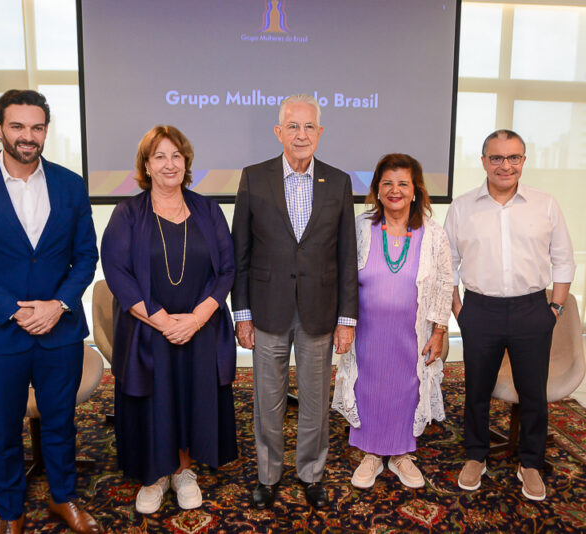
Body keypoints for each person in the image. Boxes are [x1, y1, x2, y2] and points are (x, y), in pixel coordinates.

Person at [0, 90, 101, 534]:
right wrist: (14, 312)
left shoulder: (70, 184)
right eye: (18, 126)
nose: (27, 136)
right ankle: (11, 513)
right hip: (0, 334)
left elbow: (85, 257)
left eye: (37, 127)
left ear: (46, 131)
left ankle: (63, 499)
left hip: (60, 330)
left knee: (61, 424)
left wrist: (58, 305)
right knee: (4, 433)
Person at [101, 125, 237, 515]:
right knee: (154, 401)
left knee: (193, 397)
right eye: (159, 156)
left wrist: (195, 319)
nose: (169, 163)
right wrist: (164, 321)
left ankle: (183, 471)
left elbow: (226, 270)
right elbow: (118, 273)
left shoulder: (208, 211)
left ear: (186, 161)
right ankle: (154, 476)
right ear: (146, 164)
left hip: (201, 329)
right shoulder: (127, 213)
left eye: (176, 155)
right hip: (148, 330)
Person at [231, 94, 358, 509]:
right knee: (267, 401)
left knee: (315, 403)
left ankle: (311, 474)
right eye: (293, 126)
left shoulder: (339, 182)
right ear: (278, 131)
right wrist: (242, 313)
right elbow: (241, 252)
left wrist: (346, 318)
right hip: (267, 312)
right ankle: (268, 476)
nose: (301, 135)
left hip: (320, 314)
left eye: (309, 127)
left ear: (319, 133)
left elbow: (346, 256)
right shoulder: (254, 177)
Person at [444, 129, 575, 502]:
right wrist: (459, 310)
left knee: (533, 392)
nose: (506, 165)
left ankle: (530, 463)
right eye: (497, 158)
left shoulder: (545, 204)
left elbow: (563, 259)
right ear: (483, 161)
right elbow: (447, 264)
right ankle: (476, 455)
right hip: (480, 311)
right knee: (477, 391)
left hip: (532, 309)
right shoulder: (462, 206)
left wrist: (555, 308)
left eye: (513, 157)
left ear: (523, 161)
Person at [336, 154, 452, 490]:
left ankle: (401, 453)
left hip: (413, 333)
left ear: (415, 190)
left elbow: (446, 282)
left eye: (403, 183)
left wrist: (439, 331)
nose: (395, 189)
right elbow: (343, 279)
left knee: (406, 388)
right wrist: (341, 322)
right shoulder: (361, 228)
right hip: (367, 332)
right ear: (376, 189)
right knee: (368, 386)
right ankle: (371, 452)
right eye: (387, 183)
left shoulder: (433, 234)